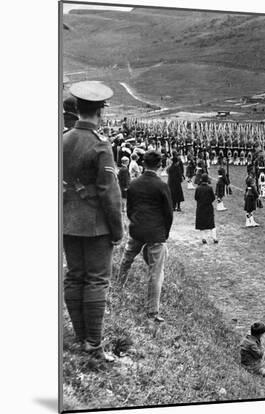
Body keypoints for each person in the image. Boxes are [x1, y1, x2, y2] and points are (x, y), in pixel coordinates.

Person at [63, 81, 122, 361]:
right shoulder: (101, 146)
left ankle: (79, 336)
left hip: (67, 222)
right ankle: (93, 344)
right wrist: (117, 229)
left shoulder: (62, 140)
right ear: (99, 111)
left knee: (75, 276)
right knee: (97, 280)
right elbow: (109, 193)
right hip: (96, 226)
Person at [117, 150, 173, 323]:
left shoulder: (134, 184)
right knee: (155, 272)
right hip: (156, 233)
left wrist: (135, 222)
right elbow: (168, 213)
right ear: (159, 165)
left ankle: (117, 289)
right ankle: (152, 311)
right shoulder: (162, 186)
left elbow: (130, 208)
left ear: (143, 164)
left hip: (137, 229)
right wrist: (164, 233)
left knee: (126, 260)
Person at [195, 173, 218, 244]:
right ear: (207, 180)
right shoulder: (210, 188)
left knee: (201, 224)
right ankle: (214, 238)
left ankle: (203, 238)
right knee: (211, 223)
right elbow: (213, 198)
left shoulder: (198, 188)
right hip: (208, 207)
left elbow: (196, 198)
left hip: (200, 208)